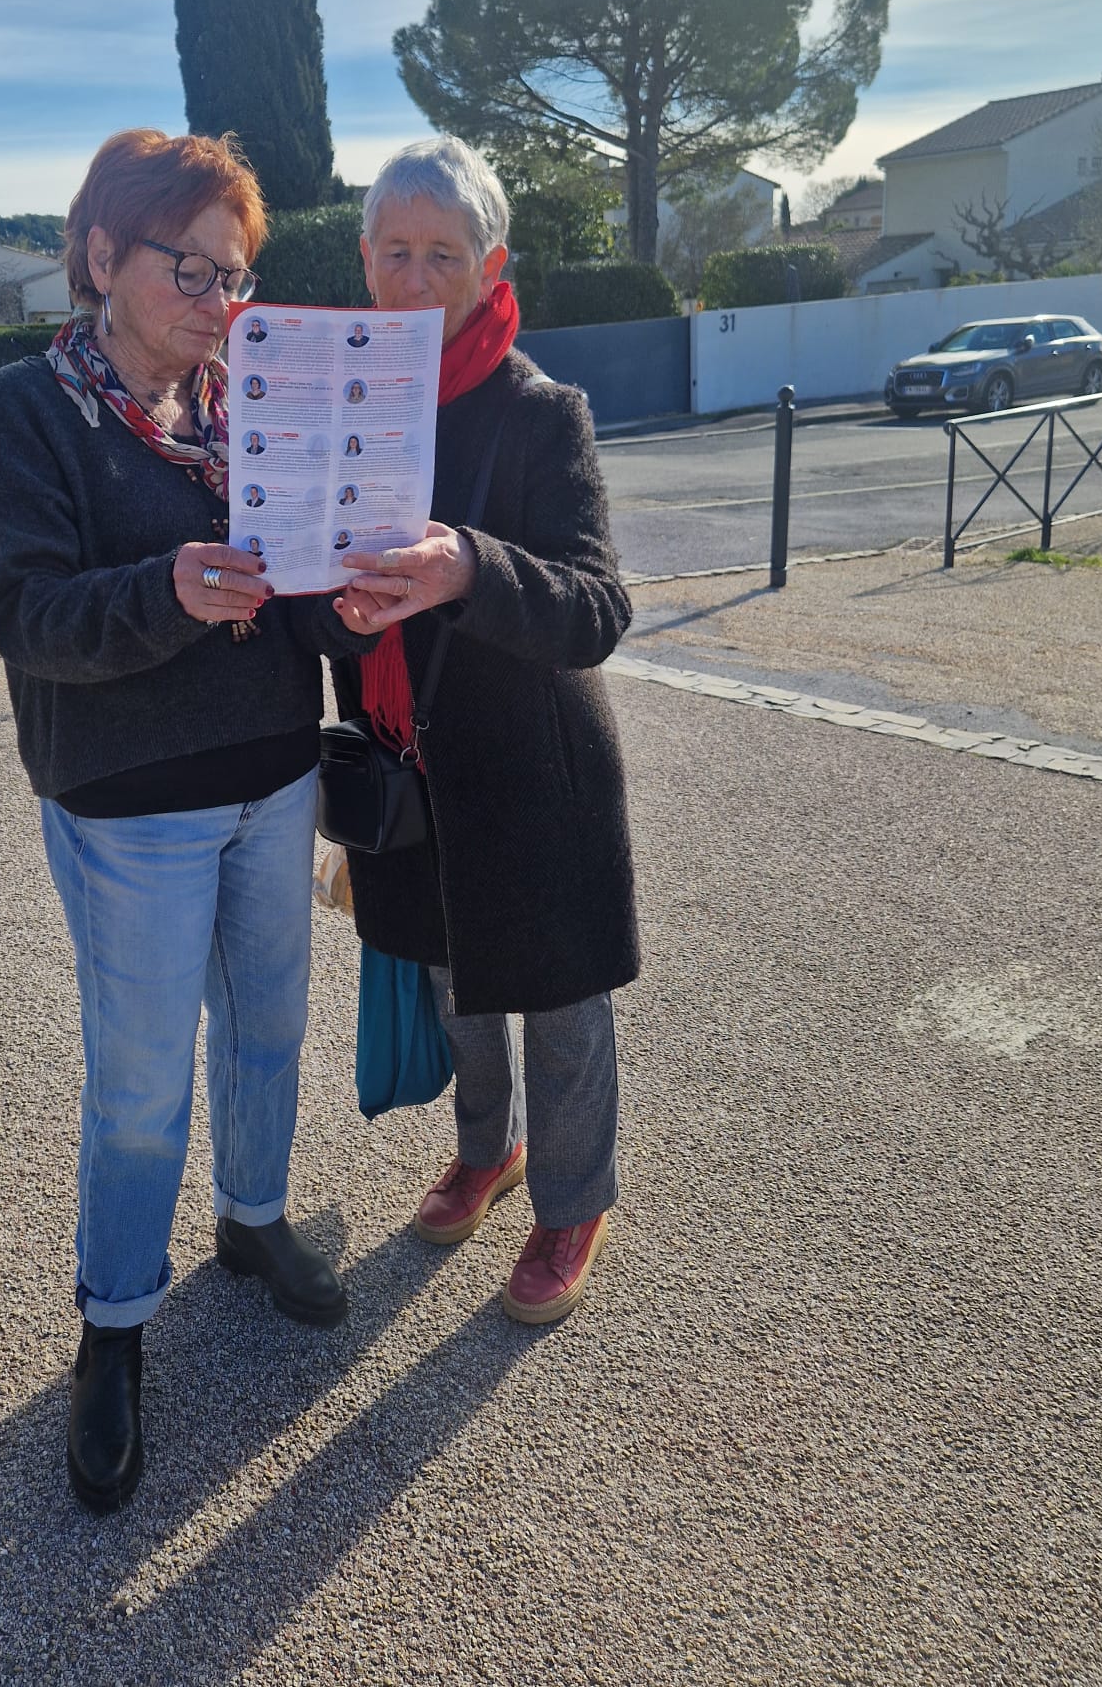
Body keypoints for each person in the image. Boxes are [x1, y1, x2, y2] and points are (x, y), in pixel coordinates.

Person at [0, 129, 367, 1516]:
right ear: (99, 255)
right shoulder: (29, 410)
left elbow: (295, 593)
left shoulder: (251, 405)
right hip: (131, 805)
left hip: (275, 772)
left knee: (270, 1031)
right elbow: (23, 614)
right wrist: (167, 589)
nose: (216, 298)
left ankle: (252, 1220)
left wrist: (350, 593)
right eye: (187, 266)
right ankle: (116, 1323)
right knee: (140, 1085)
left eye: (233, 274)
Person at [330, 134, 638, 1327]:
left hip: (533, 768)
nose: (415, 278)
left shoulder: (540, 411)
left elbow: (597, 606)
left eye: (443, 254)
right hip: (410, 761)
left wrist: (469, 564)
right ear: (364, 257)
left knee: (559, 999)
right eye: (395, 251)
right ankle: (485, 1149)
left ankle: (572, 1199)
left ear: (490, 263)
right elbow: (318, 583)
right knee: (455, 980)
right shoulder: (343, 404)